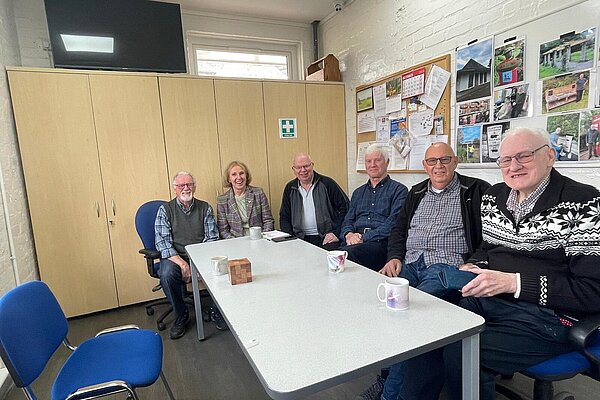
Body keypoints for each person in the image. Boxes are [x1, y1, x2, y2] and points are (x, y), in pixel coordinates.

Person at [443, 127, 600, 400]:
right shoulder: (494, 197)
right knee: (436, 329)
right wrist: (475, 265)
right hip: (494, 300)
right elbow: (488, 248)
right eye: (505, 160)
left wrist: (513, 282)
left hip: (552, 317)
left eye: (524, 156)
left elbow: (591, 291)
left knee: (461, 351)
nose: (513, 166)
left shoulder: (584, 202)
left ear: (550, 156)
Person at [357, 142, 490, 400]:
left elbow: (491, 237)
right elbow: (398, 229)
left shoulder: (475, 190)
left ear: (455, 162)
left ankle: (390, 393)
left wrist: (474, 262)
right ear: (424, 165)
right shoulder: (416, 191)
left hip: (445, 266)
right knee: (382, 310)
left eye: (444, 160)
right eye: (432, 161)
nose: (438, 166)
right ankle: (386, 378)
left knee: (409, 318)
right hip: (411, 263)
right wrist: (394, 257)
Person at [155, 171, 224, 339]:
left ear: (195, 186)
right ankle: (181, 315)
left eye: (189, 185)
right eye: (181, 186)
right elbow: (163, 243)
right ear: (175, 189)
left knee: (221, 267)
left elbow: (212, 237)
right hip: (175, 256)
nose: (186, 188)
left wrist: (196, 262)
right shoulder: (165, 210)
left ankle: (218, 312)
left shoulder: (204, 207)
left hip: (200, 254)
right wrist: (184, 264)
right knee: (167, 274)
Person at [340, 143, 408, 271]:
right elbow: (347, 220)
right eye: (368, 161)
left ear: (387, 162)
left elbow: (393, 225)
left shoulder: (399, 191)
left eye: (377, 160)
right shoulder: (358, 192)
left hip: (380, 244)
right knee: (325, 252)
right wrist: (349, 235)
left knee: (344, 256)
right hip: (354, 242)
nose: (372, 165)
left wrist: (363, 238)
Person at [279, 153, 349, 250]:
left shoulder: (327, 183)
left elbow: (345, 208)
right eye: (299, 167)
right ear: (293, 169)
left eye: (306, 166)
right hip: (299, 237)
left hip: (326, 237)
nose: (303, 170)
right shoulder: (290, 188)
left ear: (312, 165)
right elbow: (284, 216)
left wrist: (336, 233)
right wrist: (289, 237)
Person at [217, 161, 274, 239]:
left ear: (246, 176)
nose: (239, 177)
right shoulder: (222, 200)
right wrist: (235, 242)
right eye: (234, 174)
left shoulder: (258, 193)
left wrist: (262, 238)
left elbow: (268, 221)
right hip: (236, 242)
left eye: (241, 173)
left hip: (259, 239)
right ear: (229, 179)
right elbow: (223, 230)